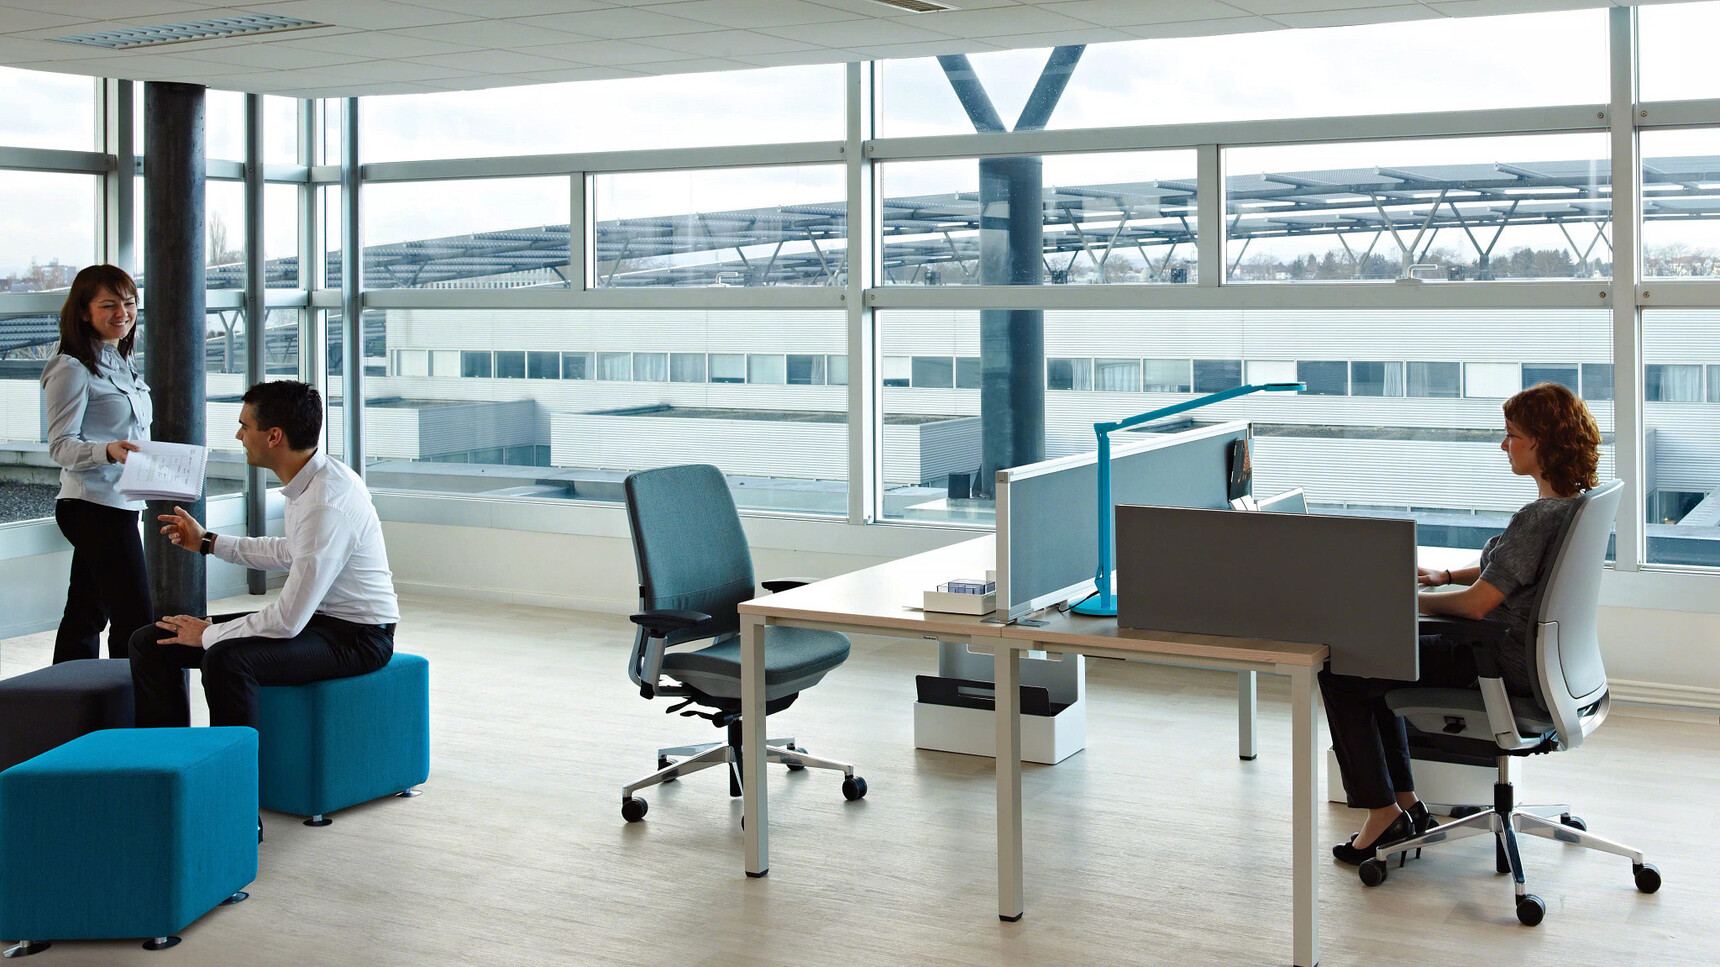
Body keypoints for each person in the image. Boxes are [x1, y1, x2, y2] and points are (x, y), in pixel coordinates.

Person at [1321, 381, 1603, 865]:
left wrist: (1403, 602)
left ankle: (1381, 810)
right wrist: (1445, 575)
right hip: (1541, 663)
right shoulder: (1574, 508)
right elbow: (1516, 568)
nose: (1503, 445)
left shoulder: (1537, 518)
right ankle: (1404, 805)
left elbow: (1476, 606)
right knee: (1380, 658)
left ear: (1540, 441)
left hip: (1497, 662)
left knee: (1345, 666)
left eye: (1512, 434)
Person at [128, 379, 399, 730]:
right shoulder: (308, 482)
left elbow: (287, 621)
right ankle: (170, 762)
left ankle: (235, 778)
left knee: (226, 658)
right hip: (318, 621)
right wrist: (208, 541)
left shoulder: (327, 502)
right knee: (152, 640)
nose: (239, 436)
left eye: (245, 426)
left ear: (274, 436)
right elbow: (289, 552)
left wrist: (209, 634)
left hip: (358, 637)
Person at [41, 264, 152, 663]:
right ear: (84, 311)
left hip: (121, 505)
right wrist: (108, 450)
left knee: (86, 612)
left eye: (129, 303)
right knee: (135, 615)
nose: (123, 312)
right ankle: (130, 705)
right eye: (109, 305)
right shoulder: (71, 366)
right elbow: (60, 446)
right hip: (90, 505)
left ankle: (69, 703)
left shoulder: (120, 360)